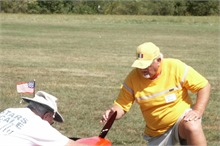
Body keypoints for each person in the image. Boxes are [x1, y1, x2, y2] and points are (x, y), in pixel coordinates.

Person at [100, 42, 211, 146]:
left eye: (146, 65)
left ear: (158, 60)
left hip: (180, 120)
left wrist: (197, 110)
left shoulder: (175, 67)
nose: (142, 69)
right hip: (157, 132)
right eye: (140, 65)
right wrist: (112, 113)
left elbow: (204, 86)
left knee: (192, 125)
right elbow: (121, 106)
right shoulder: (132, 78)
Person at [0, 91, 86, 146]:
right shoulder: (38, 125)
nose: (50, 125)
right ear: (46, 116)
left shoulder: (9, 111)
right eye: (51, 123)